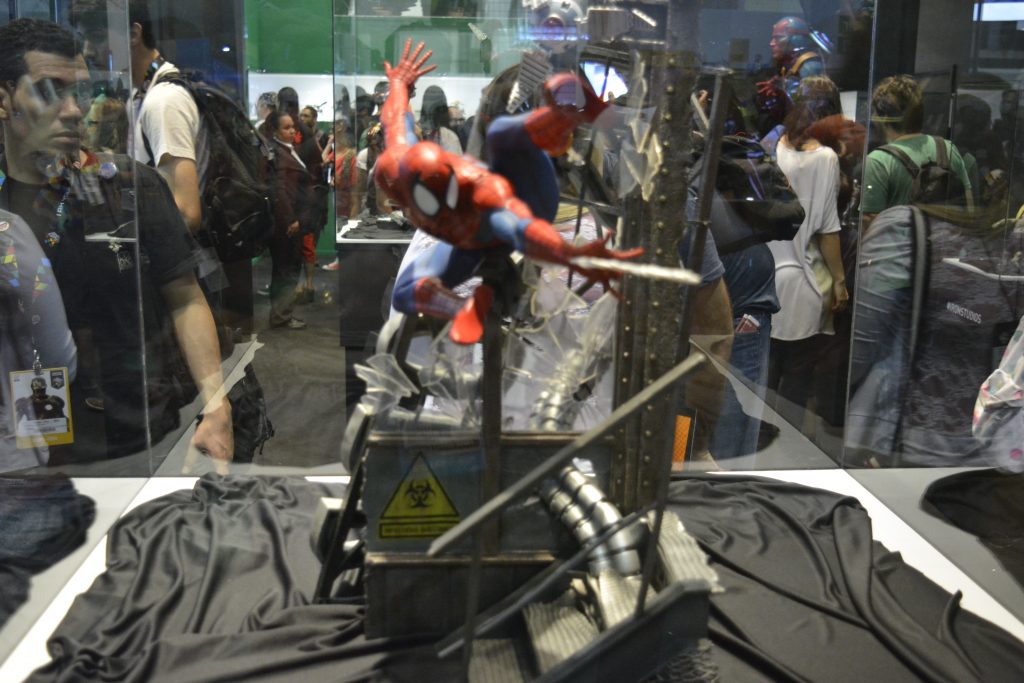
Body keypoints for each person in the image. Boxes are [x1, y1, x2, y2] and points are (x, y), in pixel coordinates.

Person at [0, 18, 232, 463]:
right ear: (5, 100)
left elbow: (185, 296)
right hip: (30, 447)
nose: (73, 110)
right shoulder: (5, 207)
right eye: (49, 90)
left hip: (143, 431)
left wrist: (217, 407)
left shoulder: (130, 185)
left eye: (81, 92)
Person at [379, 41, 641, 344]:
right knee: (408, 289)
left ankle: (557, 117)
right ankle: (462, 310)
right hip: (496, 233)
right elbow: (396, 122)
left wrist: (400, 86)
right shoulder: (417, 173)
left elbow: (397, 122)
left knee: (502, 137)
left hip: (509, 220)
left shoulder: (474, 192)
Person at [766, 76, 848, 434]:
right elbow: (828, 229)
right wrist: (840, 281)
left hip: (767, 274)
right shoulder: (826, 158)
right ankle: (787, 449)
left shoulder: (775, 144)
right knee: (797, 378)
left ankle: (758, 443)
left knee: (765, 371)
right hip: (806, 277)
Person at [860, 75, 973, 226]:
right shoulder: (948, 148)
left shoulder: (878, 161)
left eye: (874, 112)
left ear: (884, 117)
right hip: (947, 240)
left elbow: (869, 227)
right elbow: (969, 210)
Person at [277, 87, 325, 302]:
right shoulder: (304, 131)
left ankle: (298, 288)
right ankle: (305, 286)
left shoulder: (283, 128)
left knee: (296, 246)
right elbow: (318, 163)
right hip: (304, 195)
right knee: (304, 244)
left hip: (295, 196)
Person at [265, 110, 311, 330]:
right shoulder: (278, 153)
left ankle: (281, 314)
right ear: (275, 130)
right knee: (287, 268)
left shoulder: (286, 150)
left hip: (290, 219)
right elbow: (280, 189)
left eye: (293, 126)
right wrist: (291, 219)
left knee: (286, 268)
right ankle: (281, 316)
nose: (292, 130)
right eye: (286, 127)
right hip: (286, 223)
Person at [757, 15, 826, 140]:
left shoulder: (809, 68)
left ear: (795, 40)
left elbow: (810, 113)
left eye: (778, 38)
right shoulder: (789, 68)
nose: (772, 43)